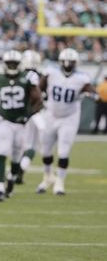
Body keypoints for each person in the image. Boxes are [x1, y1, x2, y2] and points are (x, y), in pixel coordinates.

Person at [0, 50, 43, 202]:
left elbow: (38, 101)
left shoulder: (28, 78)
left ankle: (11, 181)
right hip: (4, 121)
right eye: (9, 63)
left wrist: (28, 115)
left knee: (16, 159)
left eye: (14, 63)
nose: (12, 66)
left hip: (21, 124)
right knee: (2, 153)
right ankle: (0, 189)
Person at [37, 48, 97, 195]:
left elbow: (91, 90)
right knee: (45, 150)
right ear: (60, 61)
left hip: (69, 117)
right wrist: (42, 96)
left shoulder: (81, 78)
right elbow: (40, 87)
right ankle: (47, 177)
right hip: (50, 114)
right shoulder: (51, 72)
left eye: (71, 62)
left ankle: (60, 182)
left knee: (63, 151)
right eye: (65, 61)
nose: (67, 64)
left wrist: (92, 94)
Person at [16, 50, 45, 184]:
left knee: (22, 146)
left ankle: (17, 171)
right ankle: (19, 170)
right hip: (37, 114)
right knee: (32, 147)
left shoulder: (18, 75)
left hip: (21, 114)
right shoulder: (40, 76)